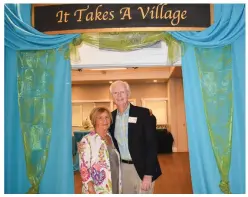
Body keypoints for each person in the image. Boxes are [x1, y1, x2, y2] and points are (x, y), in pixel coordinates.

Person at [109, 80, 162, 194]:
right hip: (122, 168)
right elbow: (103, 137)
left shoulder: (144, 114)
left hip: (143, 168)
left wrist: (148, 174)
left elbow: (151, 145)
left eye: (122, 92)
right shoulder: (110, 118)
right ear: (112, 96)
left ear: (128, 94)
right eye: (115, 93)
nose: (119, 96)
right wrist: (84, 145)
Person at [78, 107, 122, 194]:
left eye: (107, 117)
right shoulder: (87, 140)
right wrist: (91, 190)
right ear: (94, 121)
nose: (105, 120)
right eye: (100, 118)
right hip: (97, 190)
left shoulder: (110, 137)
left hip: (115, 185)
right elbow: (84, 169)